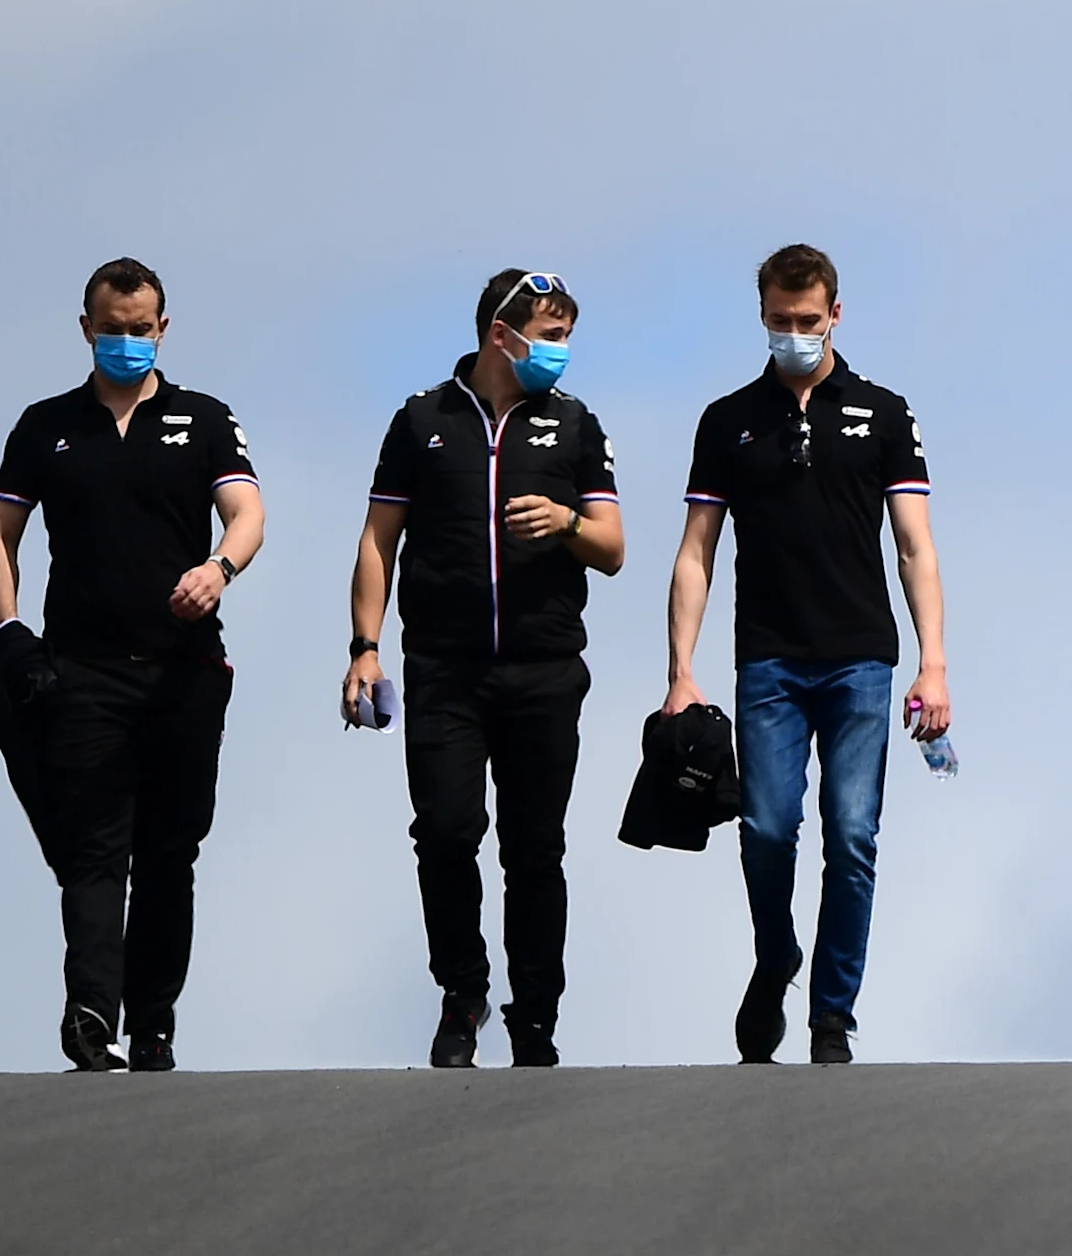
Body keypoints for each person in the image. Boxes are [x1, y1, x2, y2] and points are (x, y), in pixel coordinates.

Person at [0, 258, 266, 1072]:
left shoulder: (203, 418)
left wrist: (219, 570)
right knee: (94, 851)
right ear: (86, 329)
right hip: (83, 672)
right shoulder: (46, 425)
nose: (128, 343)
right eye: (113, 330)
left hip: (183, 672)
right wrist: (10, 629)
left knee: (170, 853)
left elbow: (247, 512)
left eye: (141, 331)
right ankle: (89, 1013)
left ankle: (154, 1022)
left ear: (163, 330)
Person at [664, 245, 948, 1064]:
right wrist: (681, 670)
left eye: (809, 320)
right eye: (781, 321)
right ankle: (775, 952)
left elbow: (915, 546)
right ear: (762, 316)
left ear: (835, 315)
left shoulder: (883, 413)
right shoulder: (727, 420)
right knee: (766, 827)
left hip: (861, 657)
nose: (795, 333)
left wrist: (935, 663)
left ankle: (832, 1014)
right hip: (769, 660)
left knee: (852, 834)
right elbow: (696, 550)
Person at [344, 270, 625, 1069]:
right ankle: (462, 994)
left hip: (544, 670)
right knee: (444, 833)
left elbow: (613, 548)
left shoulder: (573, 425)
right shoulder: (422, 418)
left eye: (568, 335)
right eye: (549, 334)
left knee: (534, 847)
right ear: (501, 334)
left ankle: (535, 1013)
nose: (560, 352)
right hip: (443, 670)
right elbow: (377, 539)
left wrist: (567, 520)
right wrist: (364, 647)